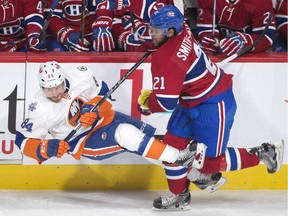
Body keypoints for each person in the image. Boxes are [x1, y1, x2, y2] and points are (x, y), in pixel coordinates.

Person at [137, 5, 284, 210]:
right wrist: (155, 42)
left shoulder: (168, 60)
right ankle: (180, 196)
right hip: (190, 101)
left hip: (214, 104)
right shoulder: (183, 29)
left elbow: (165, 103)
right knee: (169, 152)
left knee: (208, 165)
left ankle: (264, 153)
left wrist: (147, 104)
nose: (151, 34)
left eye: (155, 30)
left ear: (170, 32)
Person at [14, 61, 206, 174]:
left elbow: (104, 93)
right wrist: (48, 148)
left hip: (106, 118)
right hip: (83, 140)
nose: (55, 92)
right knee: (125, 134)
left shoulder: (80, 76)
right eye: (49, 89)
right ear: (42, 88)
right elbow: (22, 141)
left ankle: (196, 176)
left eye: (58, 86)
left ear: (64, 79)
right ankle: (180, 157)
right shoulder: (39, 108)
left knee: (150, 142)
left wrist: (94, 108)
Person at [196, 0, 276, 56]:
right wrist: (210, 41)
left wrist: (245, 42)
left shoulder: (260, 2)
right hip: (220, 54)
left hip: (251, 55)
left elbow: (265, 38)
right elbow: (206, 30)